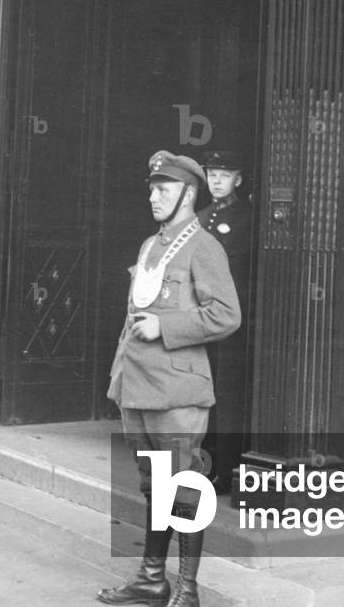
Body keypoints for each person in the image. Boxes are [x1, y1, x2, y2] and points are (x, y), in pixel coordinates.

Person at [99, 151, 241, 607]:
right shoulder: (149, 245)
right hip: (137, 385)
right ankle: (151, 579)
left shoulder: (205, 247)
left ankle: (188, 589)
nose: (152, 196)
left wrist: (167, 327)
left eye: (162, 189)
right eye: (152, 188)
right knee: (152, 484)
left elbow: (226, 315)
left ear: (188, 194)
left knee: (183, 484)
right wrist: (119, 378)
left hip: (177, 390)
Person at [196, 150, 253, 494]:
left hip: (229, 316)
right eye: (212, 174)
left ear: (238, 179)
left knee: (227, 393)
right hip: (202, 316)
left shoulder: (247, 218)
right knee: (201, 388)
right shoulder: (199, 217)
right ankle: (204, 464)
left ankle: (227, 466)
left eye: (224, 175)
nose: (217, 181)